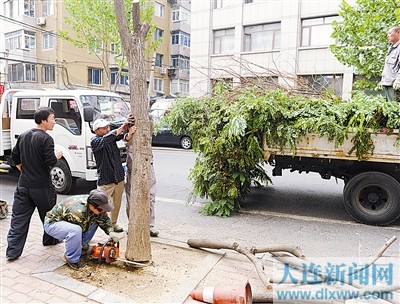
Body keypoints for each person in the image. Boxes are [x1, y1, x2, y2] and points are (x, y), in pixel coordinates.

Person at [6, 106, 63, 260]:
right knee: (49, 216)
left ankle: (12, 252)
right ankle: (50, 240)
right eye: (52, 119)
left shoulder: (24, 135)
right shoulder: (46, 138)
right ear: (44, 120)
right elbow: (51, 161)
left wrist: (25, 172)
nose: (54, 122)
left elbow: (15, 159)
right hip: (42, 187)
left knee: (18, 219)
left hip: (23, 185)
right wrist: (57, 155)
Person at [44, 189, 122, 270]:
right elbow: (77, 235)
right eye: (102, 209)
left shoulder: (96, 205)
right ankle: (71, 259)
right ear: (91, 206)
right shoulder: (78, 212)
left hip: (73, 222)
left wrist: (111, 232)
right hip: (53, 223)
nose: (103, 211)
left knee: (96, 219)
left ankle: (80, 250)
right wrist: (89, 249)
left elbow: (104, 220)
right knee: (75, 231)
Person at [90, 119, 135, 232]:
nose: (107, 129)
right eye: (104, 128)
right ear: (96, 130)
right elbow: (108, 138)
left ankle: (113, 224)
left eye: (108, 127)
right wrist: (121, 128)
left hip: (118, 177)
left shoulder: (110, 137)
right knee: (97, 206)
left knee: (116, 204)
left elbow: (120, 136)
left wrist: (127, 130)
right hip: (105, 179)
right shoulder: (95, 141)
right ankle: (88, 229)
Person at [124, 114, 159, 237]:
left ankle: (149, 225)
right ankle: (132, 224)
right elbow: (123, 138)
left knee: (150, 196)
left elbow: (151, 127)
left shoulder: (148, 120)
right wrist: (128, 130)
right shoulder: (128, 122)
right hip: (132, 166)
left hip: (148, 164)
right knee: (131, 196)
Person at [380, 26, 400, 102]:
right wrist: (383, 80)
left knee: (395, 110)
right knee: (389, 109)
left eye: (390, 33)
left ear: (398, 32)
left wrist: (398, 81)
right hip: (388, 85)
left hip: (395, 86)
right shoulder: (391, 48)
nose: (388, 35)